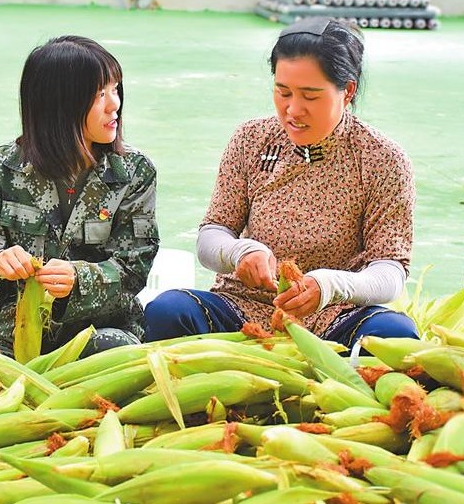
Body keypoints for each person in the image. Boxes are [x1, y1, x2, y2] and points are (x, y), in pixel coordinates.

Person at [144, 17, 418, 347]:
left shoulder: (381, 159)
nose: (293, 109)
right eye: (282, 92)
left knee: (396, 335)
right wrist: (240, 252)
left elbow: (389, 272)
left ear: (347, 91)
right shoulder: (252, 139)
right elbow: (211, 236)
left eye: (311, 96)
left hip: (335, 317)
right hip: (243, 309)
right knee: (167, 311)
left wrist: (328, 286)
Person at [0, 35, 159, 400]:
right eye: (100, 95)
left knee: (114, 381)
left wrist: (80, 278)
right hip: (15, 332)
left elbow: (134, 269)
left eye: (115, 90)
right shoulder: (1, 168)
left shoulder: (134, 171)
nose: (115, 105)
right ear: (60, 104)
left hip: (102, 332)